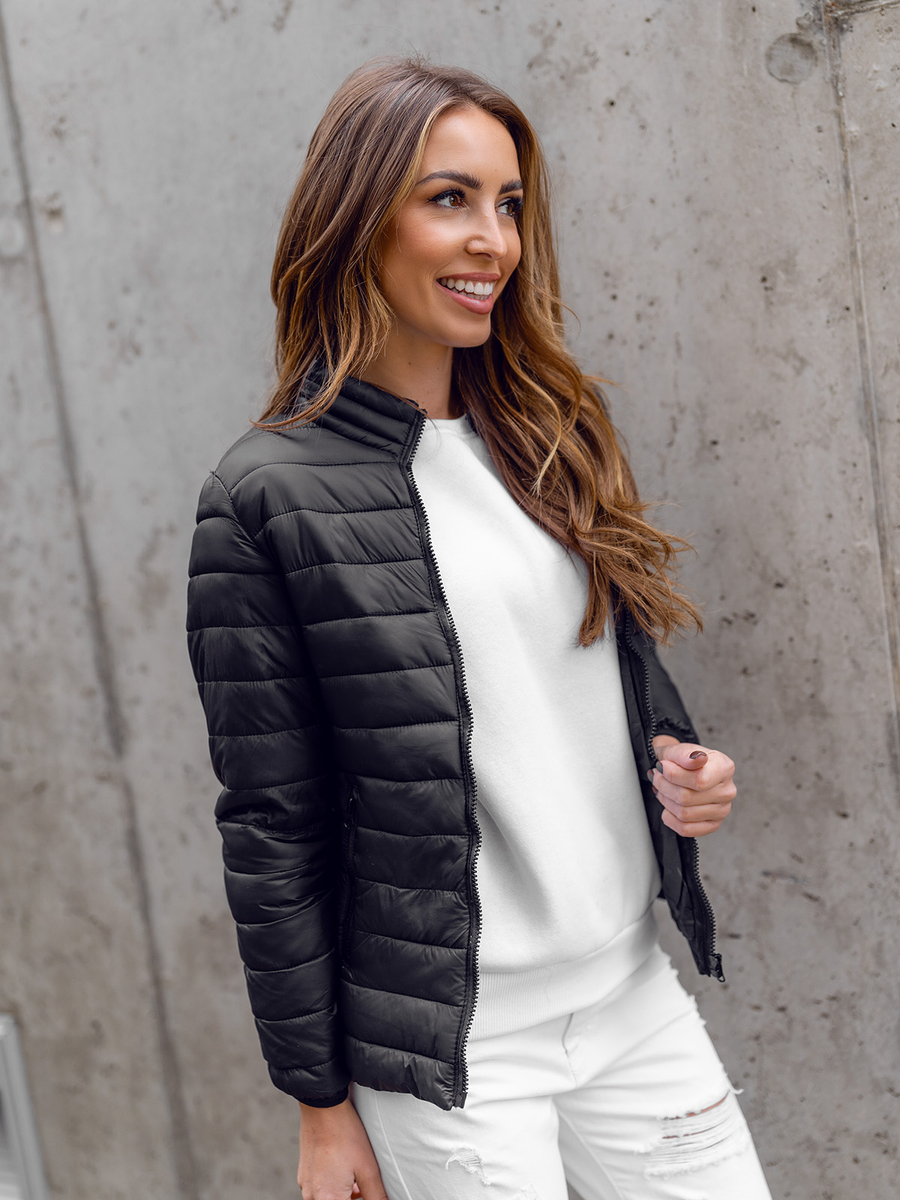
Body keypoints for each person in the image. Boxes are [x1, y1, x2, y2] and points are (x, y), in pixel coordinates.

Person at [186, 57, 772, 1200]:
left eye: (508, 204)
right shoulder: (265, 498)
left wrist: (682, 770)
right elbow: (272, 826)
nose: (492, 240)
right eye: (448, 198)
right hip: (458, 1057)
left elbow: (590, 675)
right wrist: (320, 1109)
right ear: (359, 215)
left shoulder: (550, 432)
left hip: (631, 1000)